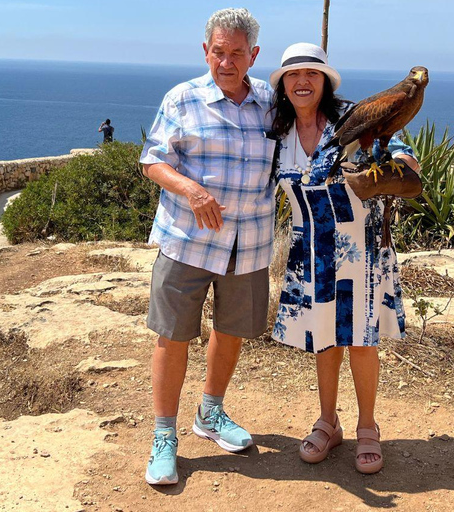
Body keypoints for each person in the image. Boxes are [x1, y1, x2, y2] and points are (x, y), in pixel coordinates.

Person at [269, 43, 421, 474]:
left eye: (312, 74)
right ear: (282, 85)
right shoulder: (276, 134)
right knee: (324, 339)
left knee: (361, 341)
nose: (302, 82)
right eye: (293, 75)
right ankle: (328, 422)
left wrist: (401, 169)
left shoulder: (355, 117)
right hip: (311, 250)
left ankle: (368, 427)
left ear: (325, 82)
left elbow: (402, 153)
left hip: (362, 248)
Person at [139, 8, 276, 485]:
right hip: (186, 242)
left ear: (253, 55)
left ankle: (210, 413)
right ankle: (164, 436)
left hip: (249, 242)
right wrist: (191, 191)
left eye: (237, 53)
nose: (227, 61)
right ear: (206, 50)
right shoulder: (182, 98)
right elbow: (152, 161)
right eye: (219, 51)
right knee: (173, 335)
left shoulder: (270, 103)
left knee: (232, 329)